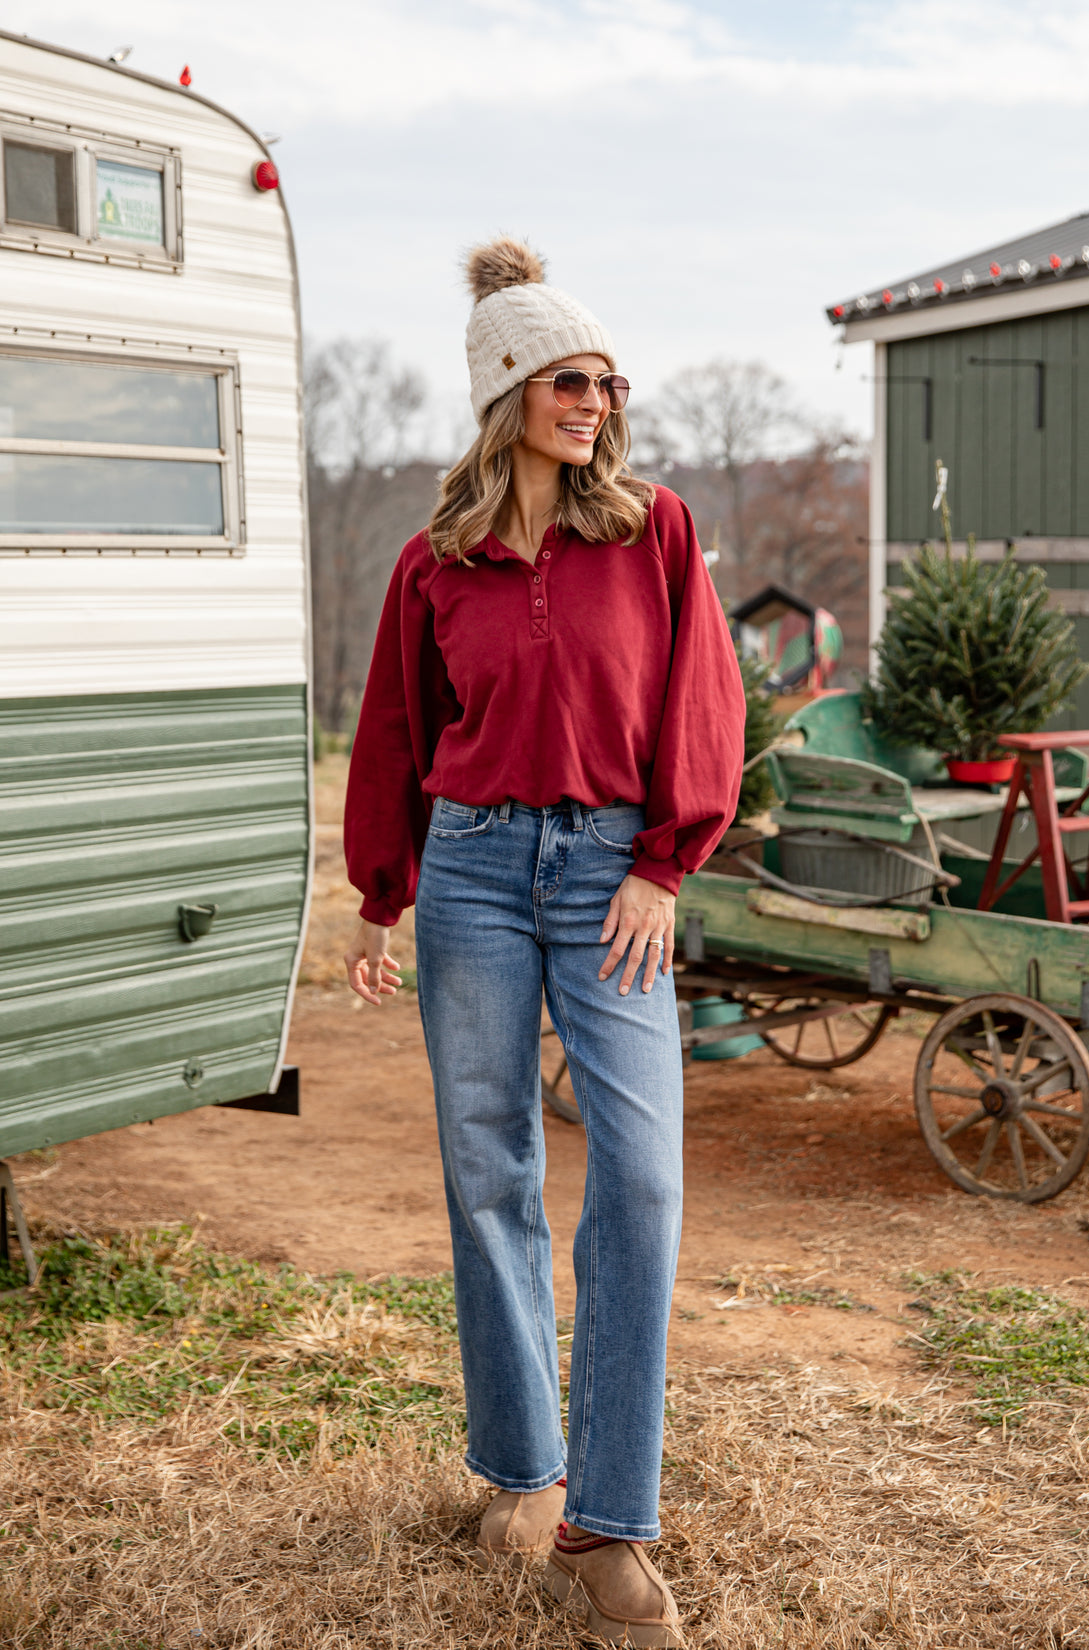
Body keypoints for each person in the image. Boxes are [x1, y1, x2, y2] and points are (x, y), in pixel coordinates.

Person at [343, 237, 744, 1647]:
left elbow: (703, 698)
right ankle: (525, 1472)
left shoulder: (657, 533)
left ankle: (607, 1523)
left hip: (608, 878)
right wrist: (380, 897)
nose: (596, 400)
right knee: (487, 1164)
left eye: (605, 380)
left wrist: (665, 864)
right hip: (467, 871)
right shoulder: (430, 565)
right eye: (571, 379)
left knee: (636, 1175)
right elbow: (398, 729)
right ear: (510, 389)